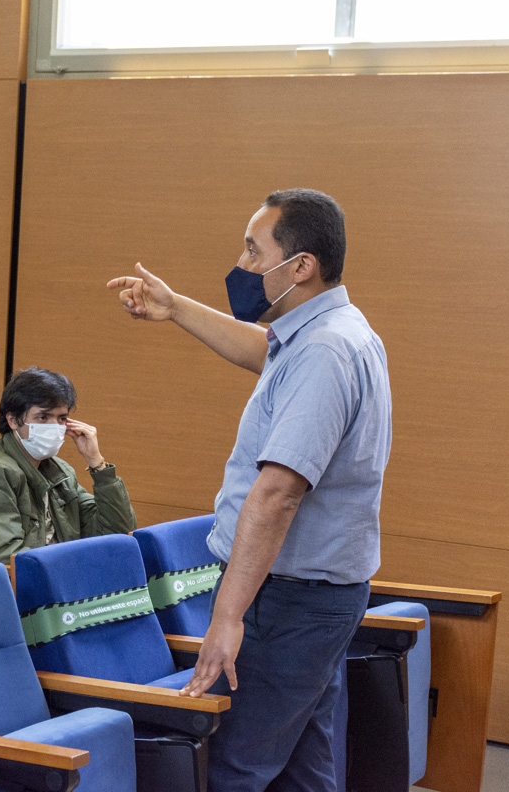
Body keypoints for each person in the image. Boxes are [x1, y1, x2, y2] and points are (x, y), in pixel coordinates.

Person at [107, 189, 391, 792]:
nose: (243, 263)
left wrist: (228, 616)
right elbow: (262, 350)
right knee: (301, 768)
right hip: (317, 596)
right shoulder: (332, 329)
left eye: (254, 250)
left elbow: (277, 493)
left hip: (288, 600)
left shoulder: (323, 351)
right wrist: (175, 306)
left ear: (302, 265)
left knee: (239, 767)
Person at [0, 367, 137, 562]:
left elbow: (118, 533)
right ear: (13, 420)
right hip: (14, 588)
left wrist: (97, 463)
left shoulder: (59, 471)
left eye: (62, 418)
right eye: (43, 417)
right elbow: (7, 558)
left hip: (58, 577)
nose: (54, 427)